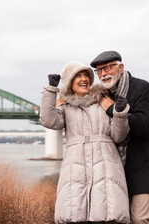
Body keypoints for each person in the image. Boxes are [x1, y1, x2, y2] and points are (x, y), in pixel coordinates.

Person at [40, 61, 131, 224]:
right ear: (69, 81)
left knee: (108, 213)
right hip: (75, 168)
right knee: (74, 213)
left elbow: (118, 136)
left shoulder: (103, 101)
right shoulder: (64, 106)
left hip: (106, 166)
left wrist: (119, 115)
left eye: (86, 75)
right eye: (78, 75)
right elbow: (49, 121)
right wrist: (51, 91)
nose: (84, 79)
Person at [90, 51, 149, 224]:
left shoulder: (142, 88)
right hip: (114, 172)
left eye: (107, 68)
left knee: (139, 219)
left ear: (121, 67)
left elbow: (143, 127)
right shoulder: (101, 95)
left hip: (143, 171)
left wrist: (113, 110)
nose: (103, 74)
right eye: (99, 71)